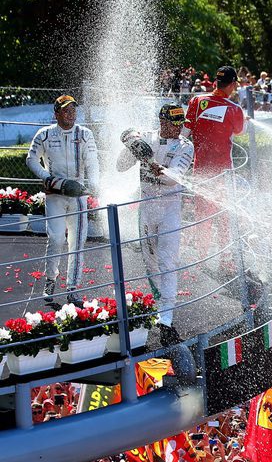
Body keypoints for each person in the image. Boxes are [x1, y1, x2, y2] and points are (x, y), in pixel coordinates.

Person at [117, 104, 195, 346]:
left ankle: (167, 319)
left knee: (167, 261)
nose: (179, 126)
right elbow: (120, 166)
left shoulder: (186, 146)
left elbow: (174, 178)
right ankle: (159, 308)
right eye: (174, 122)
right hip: (147, 206)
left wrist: (153, 165)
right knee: (150, 261)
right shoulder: (147, 138)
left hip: (170, 207)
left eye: (181, 121)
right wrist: (131, 145)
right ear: (162, 122)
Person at [25, 95, 100, 306]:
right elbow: (31, 159)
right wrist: (47, 178)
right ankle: (50, 279)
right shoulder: (45, 135)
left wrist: (94, 184)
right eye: (66, 110)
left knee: (77, 243)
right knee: (56, 238)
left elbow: (93, 162)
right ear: (56, 113)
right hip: (55, 195)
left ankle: (73, 288)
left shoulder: (85, 134)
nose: (71, 114)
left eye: (74, 110)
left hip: (78, 196)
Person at [181, 66, 245, 262]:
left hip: (200, 169)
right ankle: (226, 259)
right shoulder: (235, 109)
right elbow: (239, 131)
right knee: (226, 216)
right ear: (233, 84)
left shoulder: (196, 100)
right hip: (224, 173)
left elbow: (185, 132)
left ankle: (202, 258)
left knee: (202, 216)